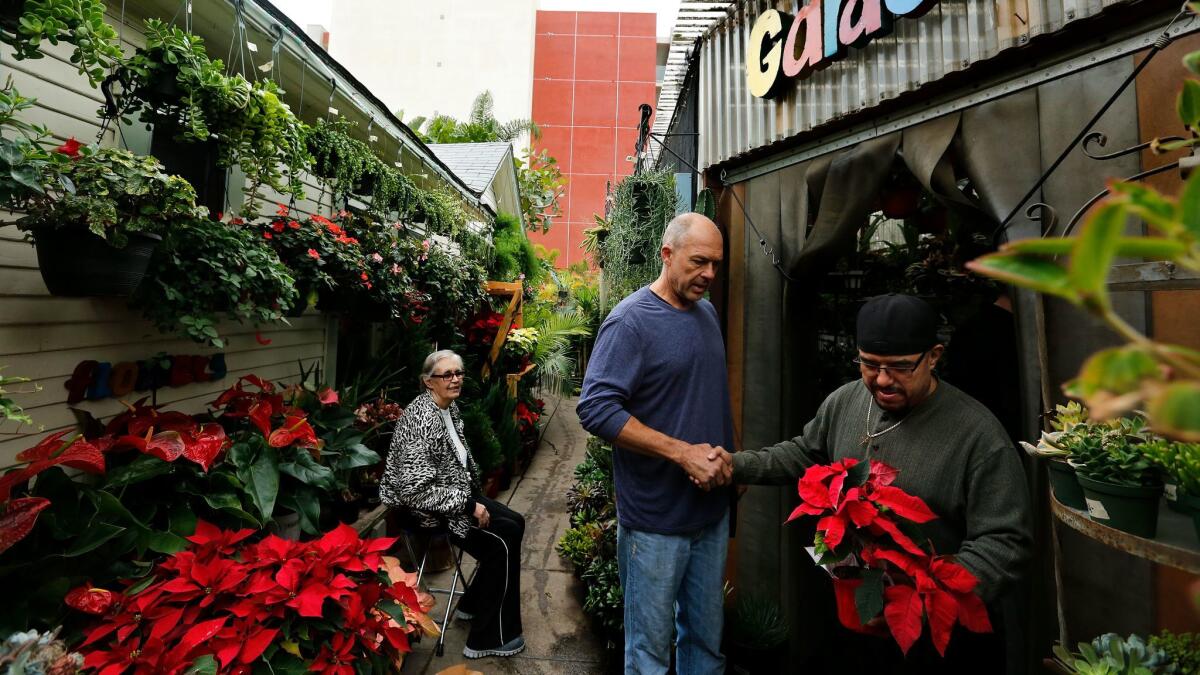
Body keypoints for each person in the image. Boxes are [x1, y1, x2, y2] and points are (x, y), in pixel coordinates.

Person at [720, 293, 1032, 674]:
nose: (882, 380)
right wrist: (735, 466)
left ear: (934, 356)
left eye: (900, 367)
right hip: (856, 627)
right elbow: (806, 452)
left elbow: (1004, 543)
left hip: (942, 643)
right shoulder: (846, 401)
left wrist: (920, 599)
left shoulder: (979, 437)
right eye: (869, 364)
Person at [577, 212, 734, 675]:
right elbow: (596, 408)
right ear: (667, 255)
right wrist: (681, 452)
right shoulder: (630, 322)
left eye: (716, 265)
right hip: (655, 523)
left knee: (706, 646)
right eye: (699, 261)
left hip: (710, 514)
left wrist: (733, 467)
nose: (709, 274)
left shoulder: (706, 313)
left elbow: (710, 397)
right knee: (648, 655)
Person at [379, 349, 526, 659]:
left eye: (458, 372)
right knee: (502, 539)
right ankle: (488, 637)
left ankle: (473, 604)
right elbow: (413, 491)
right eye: (447, 374)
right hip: (424, 512)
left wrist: (471, 498)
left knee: (517, 522)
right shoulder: (421, 419)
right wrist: (469, 505)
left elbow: (455, 465)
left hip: (452, 496)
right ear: (428, 382)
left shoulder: (449, 408)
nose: (456, 378)